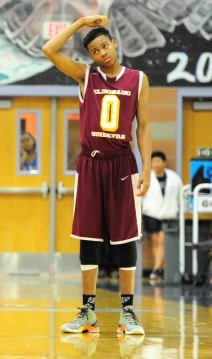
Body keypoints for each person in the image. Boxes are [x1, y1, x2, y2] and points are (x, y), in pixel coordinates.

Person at [42, 15, 151, 335]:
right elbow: (49, 50)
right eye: (95, 50)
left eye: (105, 45)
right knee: (88, 236)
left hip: (122, 164)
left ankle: (127, 312)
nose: (102, 52)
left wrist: (145, 167)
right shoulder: (86, 76)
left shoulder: (139, 79)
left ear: (114, 44)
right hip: (90, 164)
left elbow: (143, 126)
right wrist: (79, 24)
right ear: (90, 56)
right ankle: (87, 311)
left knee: (125, 237)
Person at [142, 150, 183, 280]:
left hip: (169, 213)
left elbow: (180, 196)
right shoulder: (147, 177)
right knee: (156, 241)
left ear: (164, 162)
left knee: (162, 240)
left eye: (158, 161)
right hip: (151, 213)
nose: (156, 164)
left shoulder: (174, 177)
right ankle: (158, 268)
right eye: (153, 161)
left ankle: (157, 268)